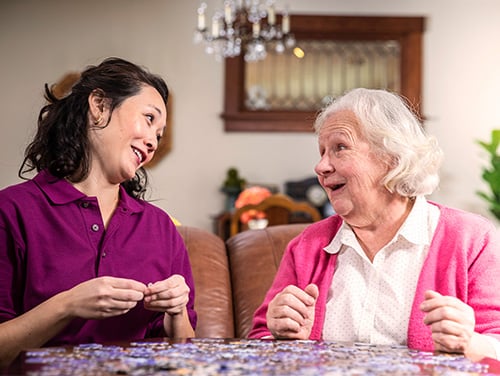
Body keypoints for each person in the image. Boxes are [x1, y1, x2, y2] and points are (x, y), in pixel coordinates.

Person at [248, 88, 500, 360]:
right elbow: (258, 341)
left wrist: (470, 342)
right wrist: (280, 335)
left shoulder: (472, 238)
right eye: (322, 152)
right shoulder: (307, 246)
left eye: (340, 148)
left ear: (391, 156)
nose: (320, 167)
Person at [0, 57, 196, 367]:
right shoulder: (12, 210)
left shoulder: (160, 227)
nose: (152, 142)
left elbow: (186, 358)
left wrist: (177, 311)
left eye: (159, 135)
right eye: (148, 119)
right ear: (99, 105)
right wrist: (67, 305)